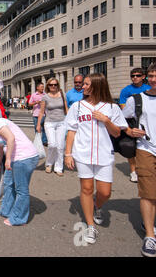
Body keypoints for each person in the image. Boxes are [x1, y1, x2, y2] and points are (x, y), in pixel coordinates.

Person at [64, 73, 128, 245]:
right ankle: (90, 225)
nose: (82, 87)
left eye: (86, 84)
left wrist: (105, 120)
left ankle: (97, 206)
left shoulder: (111, 107)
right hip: (82, 153)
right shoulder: (77, 106)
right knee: (86, 188)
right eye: (83, 84)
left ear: (97, 86)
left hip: (104, 154)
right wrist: (68, 154)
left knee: (105, 192)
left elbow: (116, 132)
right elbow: (71, 130)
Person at [0, 108, 39, 226]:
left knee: (21, 189)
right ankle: (6, 210)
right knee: (8, 183)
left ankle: (18, 218)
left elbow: (11, 138)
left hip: (23, 157)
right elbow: (0, 149)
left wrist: (8, 159)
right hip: (17, 159)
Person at [123, 63, 156, 257]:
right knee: (147, 192)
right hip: (146, 149)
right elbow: (120, 119)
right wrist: (129, 130)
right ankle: (150, 236)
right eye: (150, 75)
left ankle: (149, 221)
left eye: (154, 76)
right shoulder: (137, 99)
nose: (152, 79)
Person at [119, 68, 151, 183]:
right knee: (130, 147)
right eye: (132, 76)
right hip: (132, 121)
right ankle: (133, 171)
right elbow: (123, 107)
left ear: (143, 77)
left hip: (148, 121)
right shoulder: (126, 90)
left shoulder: (149, 89)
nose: (135, 77)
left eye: (137, 75)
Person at [36, 78, 68, 176]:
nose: (53, 86)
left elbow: (66, 108)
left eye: (55, 84)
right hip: (49, 123)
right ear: (48, 86)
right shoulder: (45, 97)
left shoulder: (62, 95)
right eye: (51, 85)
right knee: (52, 144)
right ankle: (49, 164)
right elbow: (41, 112)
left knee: (60, 146)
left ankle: (59, 167)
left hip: (62, 122)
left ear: (58, 85)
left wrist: (71, 120)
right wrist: (38, 125)